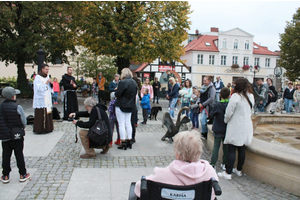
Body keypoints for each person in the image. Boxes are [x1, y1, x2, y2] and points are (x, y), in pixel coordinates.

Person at [134, 131, 218, 199]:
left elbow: (139, 189)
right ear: (199, 152)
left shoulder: (163, 174)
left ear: (177, 154)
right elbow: (212, 195)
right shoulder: (209, 173)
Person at [218, 78, 254, 180]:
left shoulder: (236, 96)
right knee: (242, 148)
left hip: (236, 126)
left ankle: (228, 172)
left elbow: (229, 112)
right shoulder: (250, 96)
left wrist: (226, 120)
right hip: (246, 126)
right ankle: (238, 170)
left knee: (232, 149)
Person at [0, 87, 30, 183]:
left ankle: (5, 175)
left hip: (5, 136)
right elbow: (24, 121)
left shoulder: (0, 107)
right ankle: (22, 174)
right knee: (19, 154)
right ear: (13, 96)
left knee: (6, 155)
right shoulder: (17, 107)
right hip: (17, 135)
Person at [115, 68, 137, 150]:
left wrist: (116, 91)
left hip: (121, 104)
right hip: (130, 105)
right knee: (128, 123)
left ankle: (123, 142)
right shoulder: (134, 82)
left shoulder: (122, 82)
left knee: (121, 123)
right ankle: (129, 140)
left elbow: (118, 94)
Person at [208, 87, 230, 170]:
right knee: (226, 148)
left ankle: (213, 164)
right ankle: (224, 163)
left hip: (218, 128)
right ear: (229, 96)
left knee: (216, 147)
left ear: (220, 95)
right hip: (227, 129)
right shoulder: (229, 105)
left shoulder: (217, 105)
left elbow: (211, 115)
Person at [33, 64, 54, 134]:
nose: (47, 71)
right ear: (42, 69)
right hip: (41, 99)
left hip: (47, 98)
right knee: (41, 114)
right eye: (46, 69)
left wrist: (51, 84)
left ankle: (48, 128)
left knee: (48, 113)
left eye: (48, 69)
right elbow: (38, 88)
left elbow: (50, 88)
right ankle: (40, 129)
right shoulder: (38, 77)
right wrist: (46, 83)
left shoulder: (47, 76)